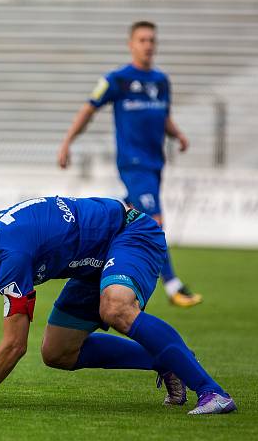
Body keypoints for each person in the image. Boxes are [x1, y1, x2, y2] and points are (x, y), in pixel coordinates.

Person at [0, 196, 236, 415]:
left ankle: (212, 392)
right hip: (90, 263)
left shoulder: (10, 258)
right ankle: (170, 360)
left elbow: (14, 345)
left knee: (117, 308)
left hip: (129, 233)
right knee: (57, 352)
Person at [57, 21, 202, 308]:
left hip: (155, 163)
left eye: (152, 40)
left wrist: (179, 134)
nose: (148, 45)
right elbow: (89, 108)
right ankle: (173, 286)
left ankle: (88, 247)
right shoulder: (117, 79)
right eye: (142, 40)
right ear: (131, 44)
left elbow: (163, 116)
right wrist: (67, 142)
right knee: (154, 221)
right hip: (133, 163)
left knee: (127, 214)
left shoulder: (161, 81)